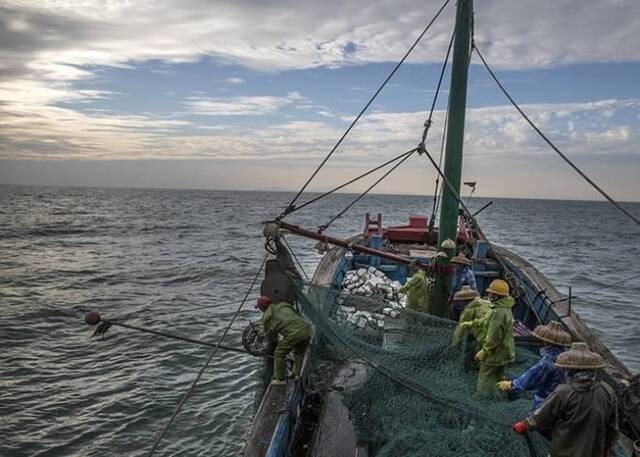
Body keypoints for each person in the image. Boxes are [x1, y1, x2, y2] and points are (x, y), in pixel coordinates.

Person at [513, 342, 618, 457]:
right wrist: (607, 447)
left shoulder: (564, 392)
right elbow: (612, 426)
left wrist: (525, 424)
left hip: (564, 451)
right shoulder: (608, 391)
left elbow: (543, 416)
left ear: (570, 369)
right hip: (594, 451)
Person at [497, 321, 571, 412]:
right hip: (563, 398)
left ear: (546, 342)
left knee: (538, 416)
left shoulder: (547, 362)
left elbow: (533, 376)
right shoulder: (567, 357)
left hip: (546, 398)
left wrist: (512, 384)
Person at [460, 278, 515, 398]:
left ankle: (480, 398)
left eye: (491, 293)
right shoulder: (501, 307)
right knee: (498, 376)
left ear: (497, 295)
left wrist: (485, 351)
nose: (489, 294)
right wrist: (473, 323)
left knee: (484, 375)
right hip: (505, 351)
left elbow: (494, 336)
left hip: (496, 353)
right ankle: (499, 397)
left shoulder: (498, 313)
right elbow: (485, 320)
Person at [256, 295, 312, 386]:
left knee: (279, 353)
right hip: (307, 330)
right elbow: (296, 314)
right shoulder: (283, 305)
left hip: (294, 333)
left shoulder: (267, 318)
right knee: (299, 353)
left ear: (262, 308)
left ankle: (280, 379)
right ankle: (296, 374)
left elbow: (270, 336)